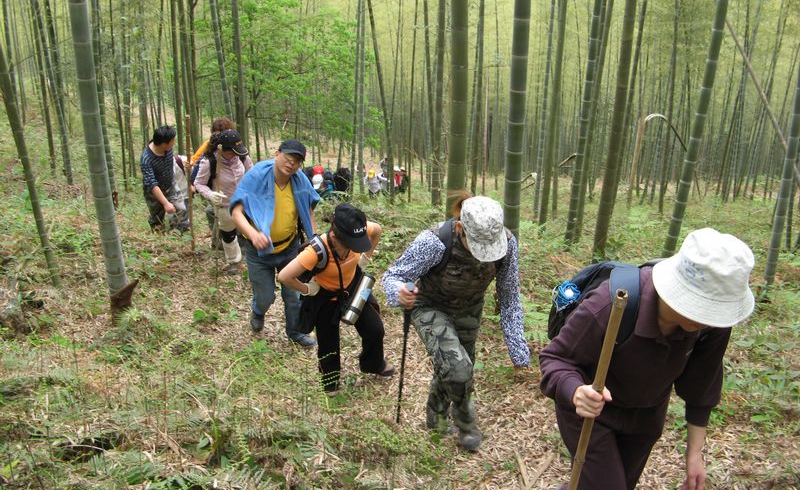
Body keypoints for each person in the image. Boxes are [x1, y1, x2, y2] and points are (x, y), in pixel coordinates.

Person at [539, 228, 755, 490]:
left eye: (713, 311)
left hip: (645, 417)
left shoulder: (712, 325)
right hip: (590, 412)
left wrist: (695, 453)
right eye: (701, 308)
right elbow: (556, 358)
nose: (707, 319)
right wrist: (575, 392)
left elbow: (701, 386)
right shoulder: (612, 305)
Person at [382, 194, 530, 451]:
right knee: (458, 368)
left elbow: (509, 297)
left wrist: (519, 352)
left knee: (456, 364)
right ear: (460, 227)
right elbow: (394, 275)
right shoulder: (435, 241)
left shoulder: (508, 244)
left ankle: (436, 416)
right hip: (430, 305)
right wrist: (399, 291)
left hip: (469, 308)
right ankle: (466, 424)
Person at [277, 203, 394, 394]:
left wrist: (365, 258)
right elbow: (284, 276)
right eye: (352, 244)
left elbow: (377, 230)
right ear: (335, 235)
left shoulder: (359, 232)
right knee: (328, 342)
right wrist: (307, 289)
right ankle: (330, 382)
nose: (356, 247)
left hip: (353, 287)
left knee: (375, 329)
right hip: (325, 297)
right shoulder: (316, 251)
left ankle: (373, 364)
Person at [230, 139, 319, 347]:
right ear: (277, 154)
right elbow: (236, 212)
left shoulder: (299, 180)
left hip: (290, 247)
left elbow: (309, 208)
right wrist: (253, 235)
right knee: (265, 295)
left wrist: (313, 237)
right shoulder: (257, 176)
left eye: (297, 161)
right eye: (289, 157)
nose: (292, 164)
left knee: (294, 293)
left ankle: (295, 332)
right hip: (259, 251)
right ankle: (258, 310)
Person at [194, 130, 253, 275]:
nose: (234, 155)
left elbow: (253, 174)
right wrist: (210, 194)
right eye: (231, 152)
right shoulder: (210, 162)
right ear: (222, 149)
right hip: (225, 204)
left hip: (245, 202)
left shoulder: (242, 157)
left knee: (252, 231)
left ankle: (255, 259)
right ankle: (234, 262)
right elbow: (198, 183)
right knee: (229, 235)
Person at [140, 125, 189, 232]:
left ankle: (179, 232)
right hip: (154, 192)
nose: (174, 142)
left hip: (170, 184)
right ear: (164, 143)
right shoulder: (146, 159)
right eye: (172, 140)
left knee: (181, 209)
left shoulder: (168, 148)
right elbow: (152, 184)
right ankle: (158, 233)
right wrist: (165, 203)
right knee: (157, 216)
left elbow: (172, 161)